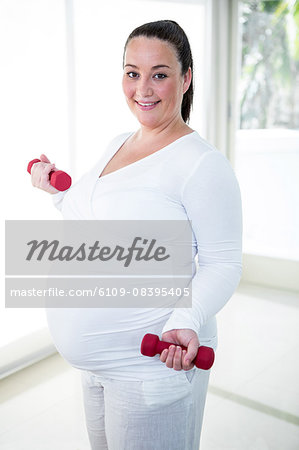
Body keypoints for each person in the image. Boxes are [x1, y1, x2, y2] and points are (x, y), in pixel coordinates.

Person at [30, 20, 242, 450]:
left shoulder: (203, 165)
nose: (143, 88)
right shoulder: (118, 142)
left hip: (149, 365)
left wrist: (184, 320)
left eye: (159, 74)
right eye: (132, 73)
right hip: (95, 367)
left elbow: (224, 264)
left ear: (185, 79)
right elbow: (92, 222)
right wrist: (57, 190)